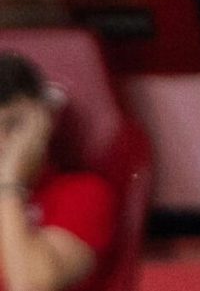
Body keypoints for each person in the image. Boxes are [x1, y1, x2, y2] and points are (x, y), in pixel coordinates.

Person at [0, 51, 117, 291]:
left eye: (13, 124)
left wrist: (9, 184)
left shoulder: (85, 194)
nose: (2, 141)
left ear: (44, 122)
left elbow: (29, 286)